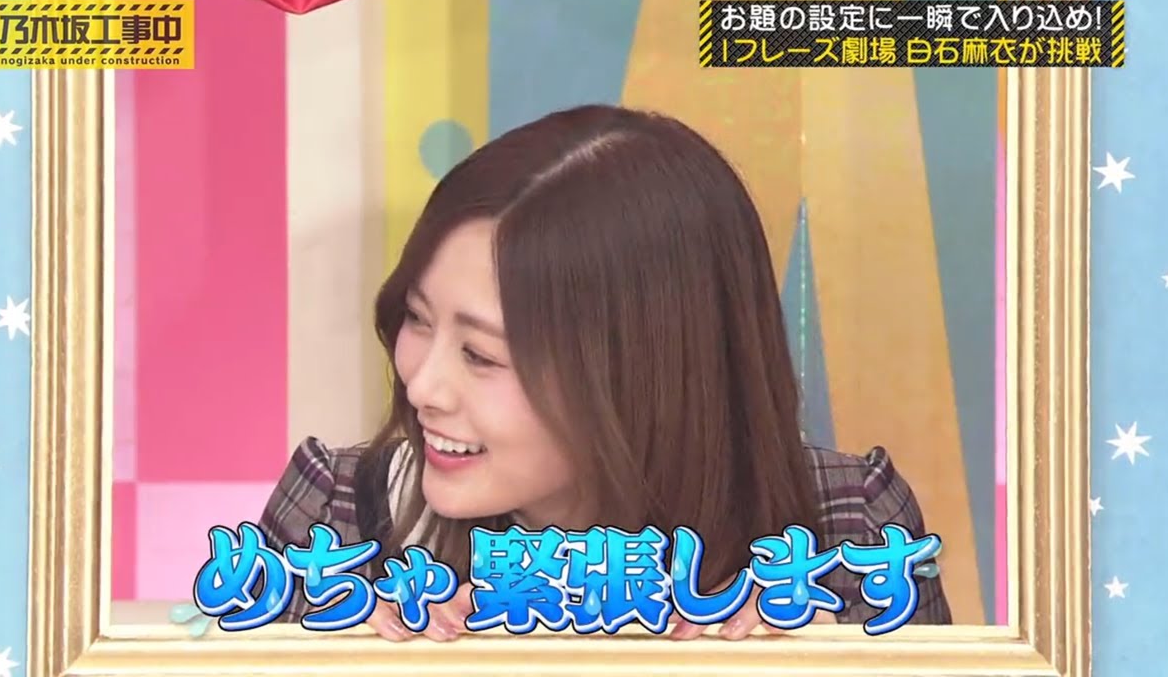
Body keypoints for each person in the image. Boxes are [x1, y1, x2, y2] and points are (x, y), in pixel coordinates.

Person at [256, 104, 952, 640]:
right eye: (416, 319)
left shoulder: (853, 537)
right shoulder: (335, 524)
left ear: (644, 373)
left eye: (482, 355)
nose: (422, 387)